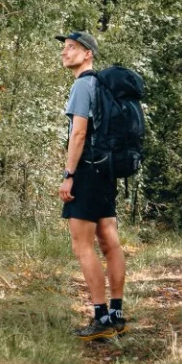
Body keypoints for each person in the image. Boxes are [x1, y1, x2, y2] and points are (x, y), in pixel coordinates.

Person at [56, 30, 127, 340]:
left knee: (82, 244)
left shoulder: (83, 86)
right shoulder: (101, 86)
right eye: (65, 48)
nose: (65, 52)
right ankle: (116, 312)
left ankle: (100, 317)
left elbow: (79, 134)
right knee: (109, 240)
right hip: (106, 170)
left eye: (73, 48)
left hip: (86, 170)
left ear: (88, 54)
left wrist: (69, 174)